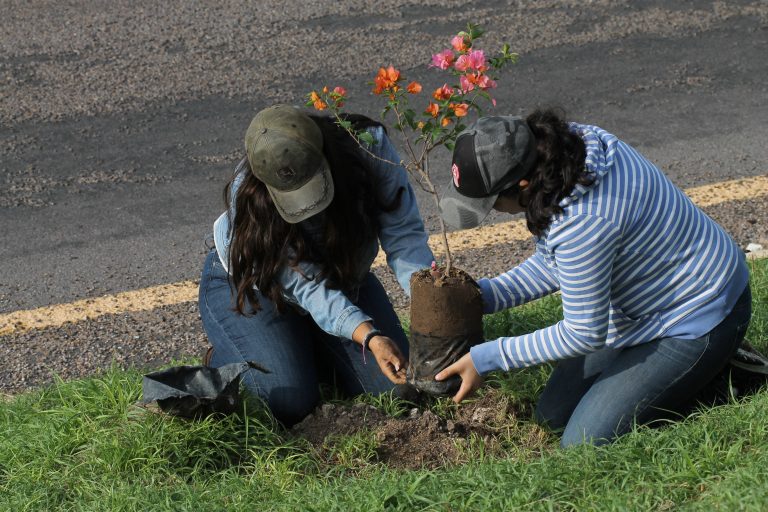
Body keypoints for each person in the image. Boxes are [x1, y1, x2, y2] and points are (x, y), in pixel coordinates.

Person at [435, 109, 752, 447]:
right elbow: (554, 263)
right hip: (643, 309)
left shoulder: (584, 222)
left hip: (700, 314)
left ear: (523, 184)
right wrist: (482, 297)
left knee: (582, 443)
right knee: (552, 417)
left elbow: (583, 333)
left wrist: (486, 358)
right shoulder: (570, 148)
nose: (492, 211)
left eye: (491, 202)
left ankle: (722, 372)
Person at [198, 105, 434, 426]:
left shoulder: (368, 147)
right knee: (288, 402)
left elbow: (403, 233)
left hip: (340, 276)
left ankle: (306, 347)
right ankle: (235, 353)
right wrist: (369, 336)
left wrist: (429, 304)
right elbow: (306, 287)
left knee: (398, 392)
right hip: (261, 286)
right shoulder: (249, 197)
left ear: (324, 150)